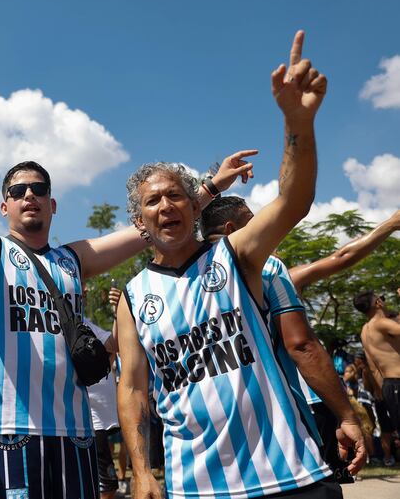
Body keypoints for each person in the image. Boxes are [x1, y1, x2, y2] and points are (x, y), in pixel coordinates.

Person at [0, 80, 254, 496]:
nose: (29, 196)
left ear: (52, 204)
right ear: (4, 206)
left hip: (76, 431)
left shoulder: (72, 259)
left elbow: (148, 229)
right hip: (11, 431)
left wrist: (212, 187)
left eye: (39, 190)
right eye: (17, 191)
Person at [117, 31, 364, 499]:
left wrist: (298, 124)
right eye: (153, 201)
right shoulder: (133, 298)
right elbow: (131, 389)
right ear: (140, 219)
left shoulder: (237, 256)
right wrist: (141, 470)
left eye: (176, 196)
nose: (166, 205)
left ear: (194, 206)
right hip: (197, 487)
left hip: (289, 475)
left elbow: (293, 200)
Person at [200, 195, 388, 478]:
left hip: (210, 427)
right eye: (253, 223)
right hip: (287, 409)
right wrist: (391, 224)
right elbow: (302, 343)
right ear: (231, 231)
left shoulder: (180, 285)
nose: (263, 229)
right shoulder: (269, 270)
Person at [85, 287, 121, 499]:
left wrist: (118, 313)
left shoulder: (86, 324)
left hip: (96, 420)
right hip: (88, 420)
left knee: (104, 486)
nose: (88, 288)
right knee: (106, 486)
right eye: (82, 283)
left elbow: (113, 345)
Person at [355, 291, 400, 436]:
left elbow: (372, 366)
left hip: (388, 385)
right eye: (380, 298)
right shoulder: (382, 323)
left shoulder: (365, 330)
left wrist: (378, 389)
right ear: (377, 303)